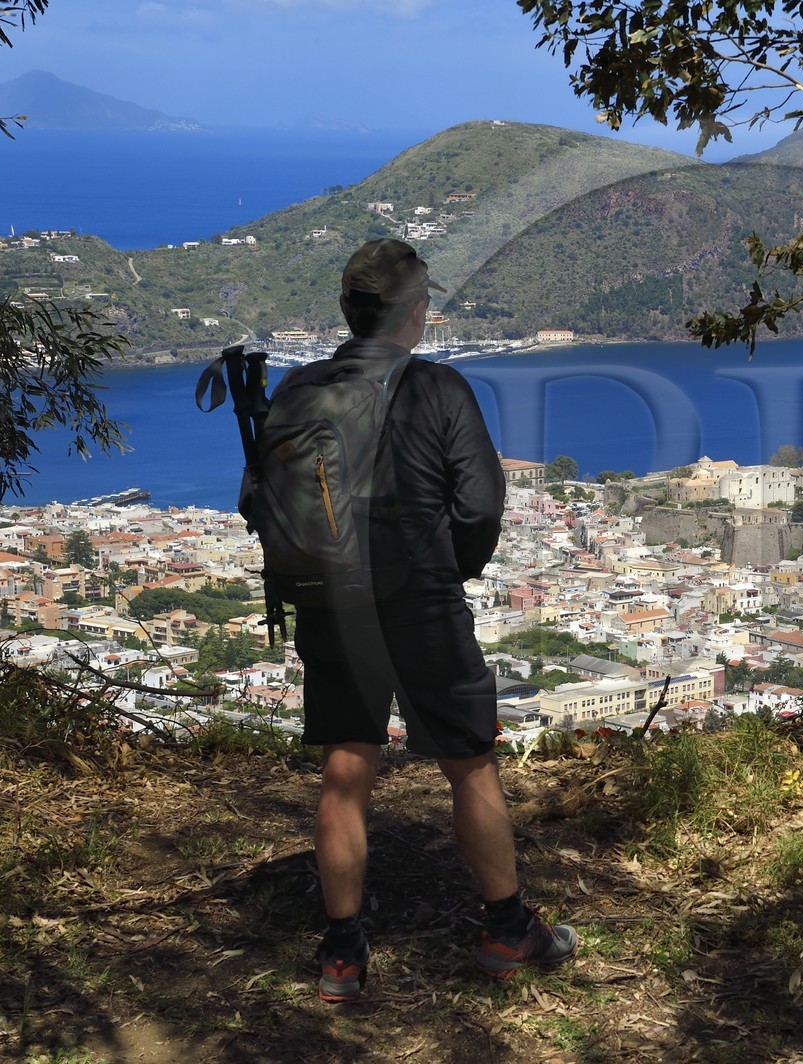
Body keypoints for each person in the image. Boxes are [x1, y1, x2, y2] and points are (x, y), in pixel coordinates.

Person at [292, 238, 576, 1003]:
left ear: (349, 312)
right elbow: (480, 505)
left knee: (346, 770)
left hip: (329, 601)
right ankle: (507, 928)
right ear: (414, 314)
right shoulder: (441, 390)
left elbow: (264, 502)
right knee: (470, 763)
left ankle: (343, 955)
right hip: (421, 601)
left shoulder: (297, 390)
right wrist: (451, 567)